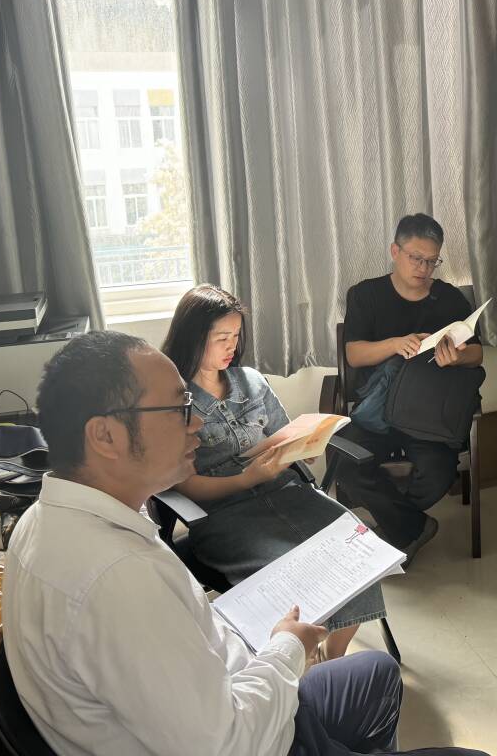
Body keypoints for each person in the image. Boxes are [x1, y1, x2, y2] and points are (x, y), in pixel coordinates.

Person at [3, 330, 487, 756]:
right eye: (179, 408)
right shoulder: (118, 580)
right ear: (105, 436)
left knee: (376, 672)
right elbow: (229, 745)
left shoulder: (44, 520)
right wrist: (287, 646)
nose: (195, 423)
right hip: (259, 739)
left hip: (234, 689)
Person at [161, 284, 385, 663]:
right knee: (296, 575)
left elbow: (284, 434)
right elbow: (184, 486)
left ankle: (333, 657)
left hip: (288, 493)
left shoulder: (251, 381)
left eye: (236, 335)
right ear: (193, 337)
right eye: (221, 338)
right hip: (226, 515)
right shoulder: (172, 401)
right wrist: (246, 479)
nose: (231, 346)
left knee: (358, 551)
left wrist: (305, 447)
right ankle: (298, 656)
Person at [336, 212, 483, 560]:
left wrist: (456, 357)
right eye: (416, 258)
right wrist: (395, 344)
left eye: (432, 261)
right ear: (395, 251)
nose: (423, 268)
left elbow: (477, 354)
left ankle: (396, 528)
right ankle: (413, 528)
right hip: (376, 413)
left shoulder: (449, 299)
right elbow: (354, 354)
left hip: (428, 416)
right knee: (344, 463)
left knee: (438, 476)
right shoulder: (366, 295)